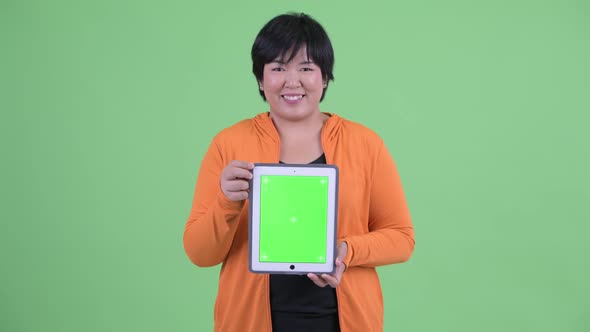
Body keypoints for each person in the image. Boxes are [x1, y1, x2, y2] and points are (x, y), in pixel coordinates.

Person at [183, 12, 415, 332]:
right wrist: (226, 201)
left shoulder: (365, 143)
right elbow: (199, 253)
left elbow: (402, 238)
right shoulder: (229, 144)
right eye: (278, 68)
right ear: (261, 80)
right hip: (248, 322)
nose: (293, 81)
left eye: (306, 68)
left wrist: (346, 251)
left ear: (324, 77)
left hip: (345, 322)